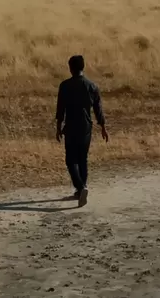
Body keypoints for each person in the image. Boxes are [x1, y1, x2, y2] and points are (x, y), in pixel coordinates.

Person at [55, 54, 108, 206]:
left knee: (70, 160)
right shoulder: (92, 86)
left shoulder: (64, 86)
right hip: (86, 127)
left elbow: (61, 110)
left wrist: (58, 128)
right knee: (82, 159)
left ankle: (81, 187)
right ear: (83, 67)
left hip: (71, 127)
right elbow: (98, 109)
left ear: (70, 68)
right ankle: (81, 191)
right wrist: (103, 128)